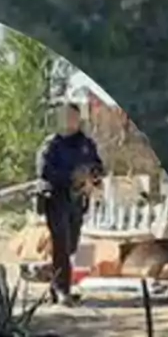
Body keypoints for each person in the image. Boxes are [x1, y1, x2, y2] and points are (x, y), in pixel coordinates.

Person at [35, 101, 104, 305]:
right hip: (56, 199)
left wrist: (92, 180)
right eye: (66, 117)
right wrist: (72, 178)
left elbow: (98, 167)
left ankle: (56, 281)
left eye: (73, 116)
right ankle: (62, 289)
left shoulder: (86, 144)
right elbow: (45, 172)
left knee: (72, 245)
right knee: (62, 245)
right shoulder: (52, 145)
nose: (70, 121)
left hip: (77, 201)